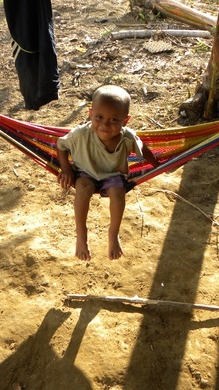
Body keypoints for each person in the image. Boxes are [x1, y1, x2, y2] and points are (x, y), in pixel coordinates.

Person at [57, 85, 159, 261]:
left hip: (113, 175)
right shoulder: (81, 134)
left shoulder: (127, 137)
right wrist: (66, 169)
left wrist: (157, 165)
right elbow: (61, 146)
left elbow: (143, 149)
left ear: (125, 121)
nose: (104, 124)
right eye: (99, 117)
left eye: (113, 120)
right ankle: (81, 236)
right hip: (86, 173)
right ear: (90, 113)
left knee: (118, 193)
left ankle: (113, 234)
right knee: (82, 187)